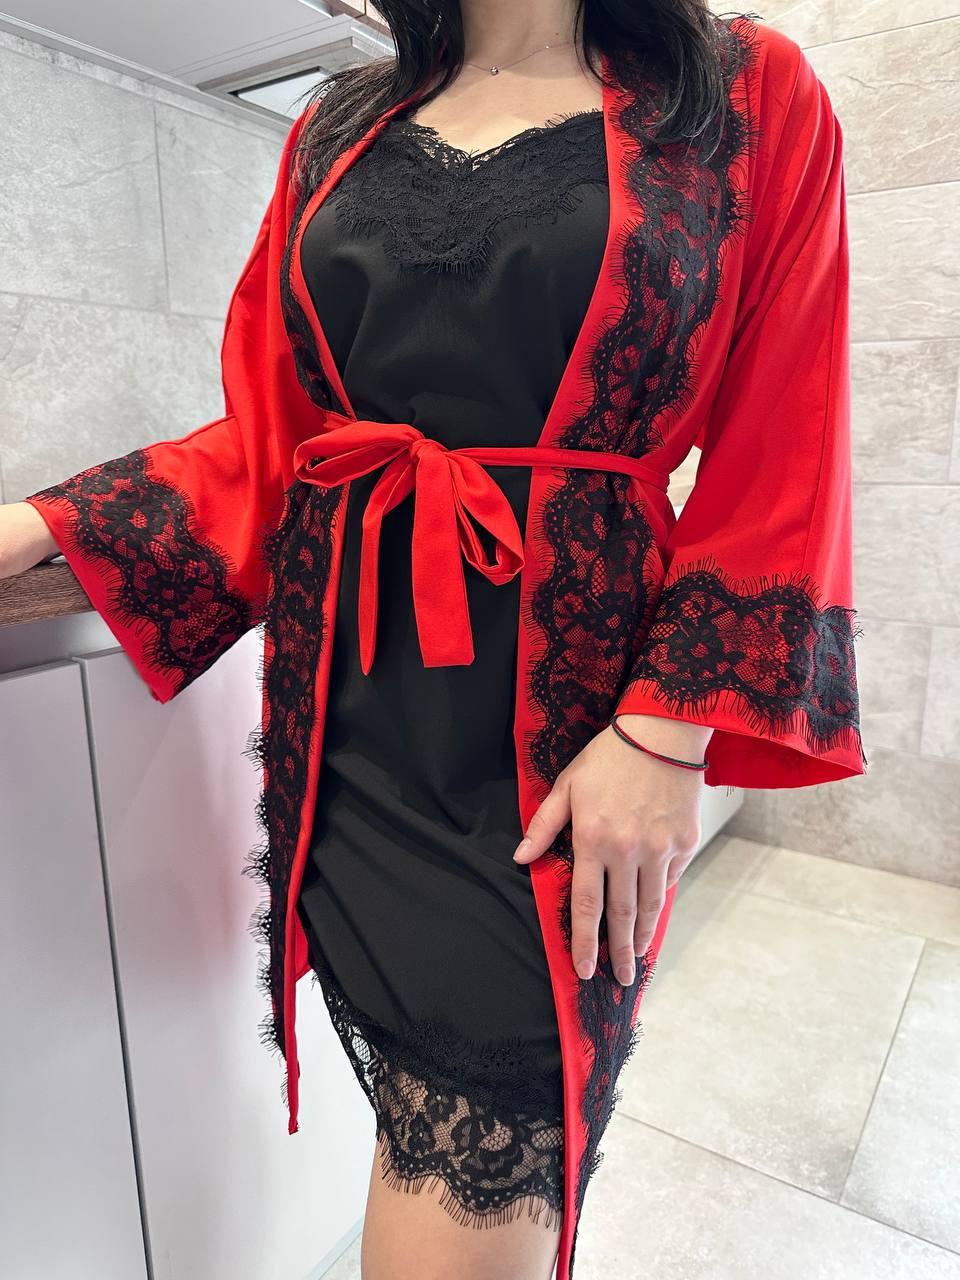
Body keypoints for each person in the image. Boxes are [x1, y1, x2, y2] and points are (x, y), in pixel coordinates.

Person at [0, 3, 865, 1277]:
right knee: (421, 1143)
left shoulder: (739, 91)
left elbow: (787, 439)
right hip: (354, 731)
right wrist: (39, 519)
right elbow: (274, 444)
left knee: (482, 1161)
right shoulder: (337, 126)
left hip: (563, 743)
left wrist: (662, 733)